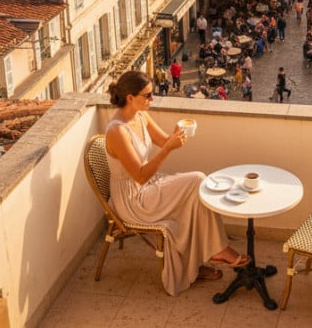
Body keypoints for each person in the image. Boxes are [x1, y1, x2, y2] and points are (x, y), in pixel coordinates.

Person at [104, 70, 249, 296]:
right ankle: (217, 250)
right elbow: (140, 175)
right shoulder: (117, 132)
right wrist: (169, 148)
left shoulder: (140, 115)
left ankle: (207, 254)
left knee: (196, 190)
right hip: (134, 199)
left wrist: (176, 136)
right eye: (147, 95)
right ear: (130, 98)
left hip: (148, 186)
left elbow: (162, 141)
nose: (152, 99)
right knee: (197, 180)